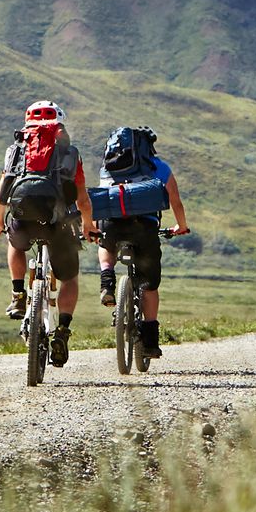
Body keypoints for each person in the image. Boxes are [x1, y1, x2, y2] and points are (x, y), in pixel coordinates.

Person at [0, 99, 93, 366]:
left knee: (16, 242)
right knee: (69, 279)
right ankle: (63, 332)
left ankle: (19, 293)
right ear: (59, 124)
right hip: (59, 223)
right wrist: (88, 225)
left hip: (23, 218)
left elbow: (2, 194)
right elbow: (82, 198)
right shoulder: (70, 152)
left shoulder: (17, 149)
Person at [96, 132, 189, 358]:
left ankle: (107, 281)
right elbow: (175, 200)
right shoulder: (159, 166)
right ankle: (149, 342)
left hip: (112, 226)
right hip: (144, 229)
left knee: (106, 245)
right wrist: (181, 226)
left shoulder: (108, 166)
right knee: (150, 285)